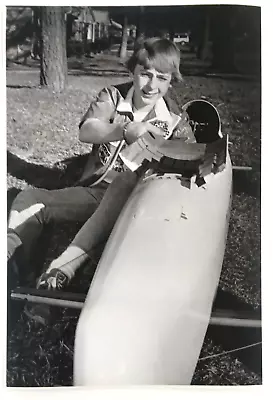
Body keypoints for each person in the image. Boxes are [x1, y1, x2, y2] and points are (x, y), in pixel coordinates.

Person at [7, 37, 195, 292]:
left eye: (162, 78)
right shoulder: (113, 96)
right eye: (145, 75)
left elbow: (189, 162)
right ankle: (12, 263)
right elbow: (88, 130)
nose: (152, 85)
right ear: (132, 71)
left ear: (171, 79)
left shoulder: (174, 119)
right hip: (95, 193)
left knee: (125, 181)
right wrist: (125, 129)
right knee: (29, 199)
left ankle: (61, 271)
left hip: (138, 203)